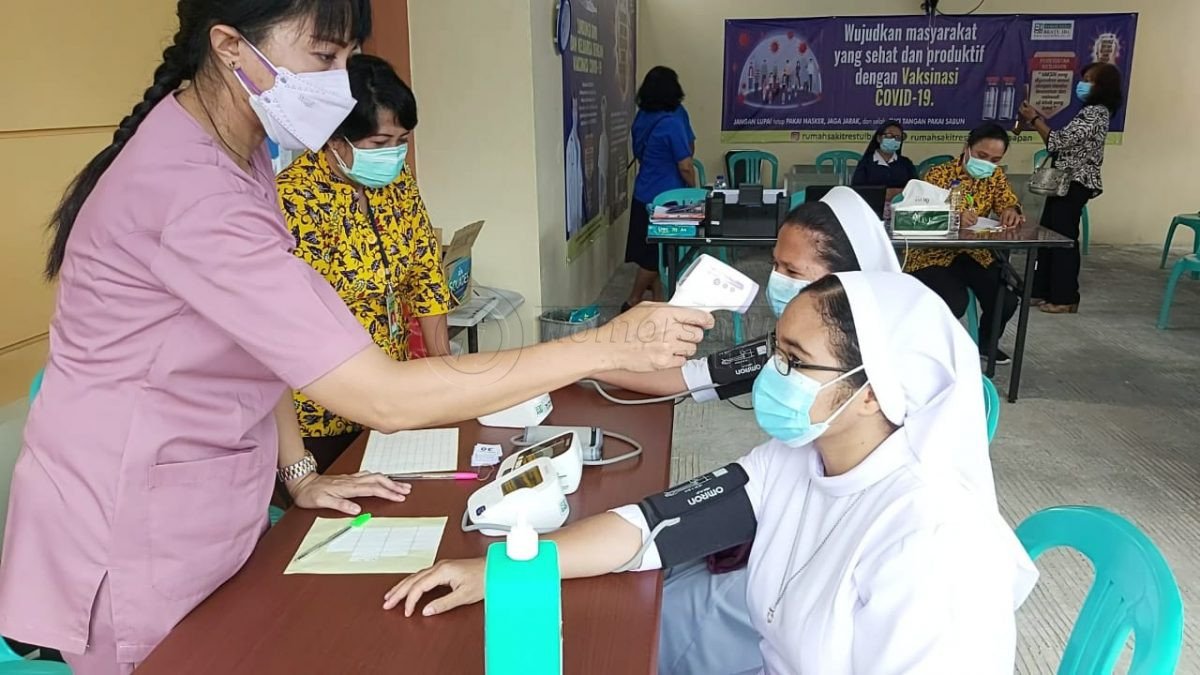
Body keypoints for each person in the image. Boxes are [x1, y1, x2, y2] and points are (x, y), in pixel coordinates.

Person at [0, 3, 712, 673]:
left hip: (209, 506)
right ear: (228, 47)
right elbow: (378, 394)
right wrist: (602, 347)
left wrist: (298, 475)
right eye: (324, 54)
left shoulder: (236, 153)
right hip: (134, 532)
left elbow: (258, 344)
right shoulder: (191, 191)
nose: (340, 81)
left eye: (349, 56)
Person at [384, 271, 1039, 675]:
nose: (768, 376)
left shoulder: (935, 542)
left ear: (872, 391)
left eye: (793, 360)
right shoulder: (798, 459)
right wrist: (502, 567)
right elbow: (652, 527)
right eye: (774, 352)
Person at [277, 54, 449, 472]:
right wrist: (297, 467)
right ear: (336, 140)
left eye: (402, 142)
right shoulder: (294, 199)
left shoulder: (395, 184)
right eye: (378, 144)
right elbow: (287, 327)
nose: (393, 156)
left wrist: (448, 377)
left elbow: (425, 274)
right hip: (321, 413)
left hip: (393, 390)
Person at [595, 186, 899, 401]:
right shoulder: (783, 345)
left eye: (792, 272)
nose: (776, 280)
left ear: (845, 278)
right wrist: (588, 364)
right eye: (775, 264)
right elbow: (689, 379)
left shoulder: (887, 366)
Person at [906, 123, 1024, 364]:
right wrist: (951, 218)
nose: (987, 164)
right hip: (934, 255)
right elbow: (919, 215)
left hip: (974, 253)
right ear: (967, 148)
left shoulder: (995, 177)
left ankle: (985, 344)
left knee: (1005, 299)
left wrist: (1010, 211)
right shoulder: (937, 175)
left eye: (994, 159)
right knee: (953, 301)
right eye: (982, 156)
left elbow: (1006, 201)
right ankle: (929, 351)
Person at [1019, 63, 1123, 314]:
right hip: (1062, 183)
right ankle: (1040, 290)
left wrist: (1034, 118)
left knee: (1063, 240)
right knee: (1048, 236)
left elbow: (1059, 141)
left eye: (1089, 80)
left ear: (1102, 87)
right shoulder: (1088, 111)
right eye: (1083, 78)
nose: (1083, 84)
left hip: (1075, 183)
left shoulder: (1096, 112)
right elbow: (1058, 144)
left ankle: (1065, 297)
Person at [624, 66, 697, 310]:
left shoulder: (641, 118)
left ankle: (658, 302)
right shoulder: (674, 121)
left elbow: (641, 155)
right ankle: (633, 299)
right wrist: (694, 191)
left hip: (643, 192)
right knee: (658, 256)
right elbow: (685, 164)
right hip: (669, 200)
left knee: (650, 250)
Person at [851, 119, 918, 189]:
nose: (893, 140)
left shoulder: (906, 163)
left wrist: (897, 193)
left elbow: (916, 188)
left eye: (898, 137)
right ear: (879, 138)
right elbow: (858, 190)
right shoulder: (865, 163)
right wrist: (883, 194)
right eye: (889, 135)